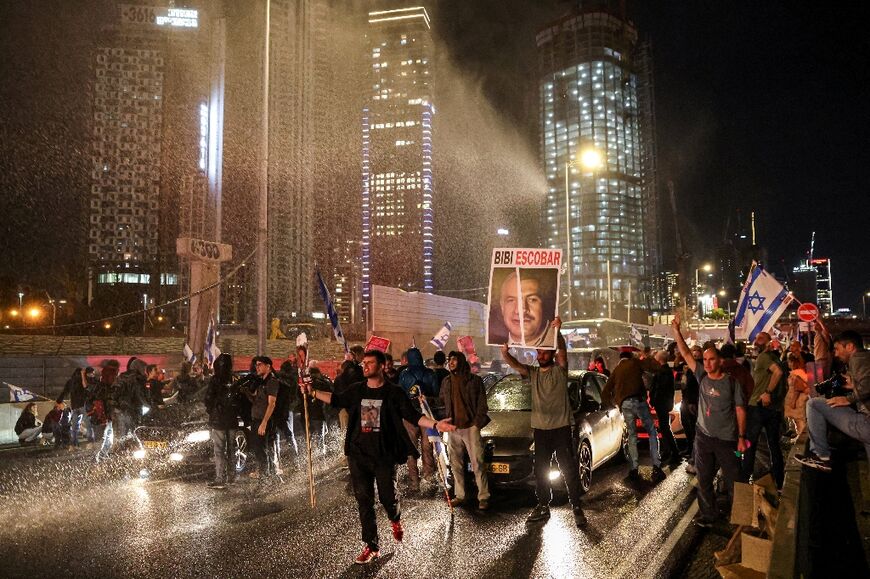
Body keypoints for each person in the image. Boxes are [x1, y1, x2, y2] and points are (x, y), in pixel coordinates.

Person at [301, 349, 456, 564]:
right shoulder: (356, 390)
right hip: (358, 454)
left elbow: (413, 416)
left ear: (382, 366)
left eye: (370, 363)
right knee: (364, 500)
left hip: (383, 455)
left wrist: (437, 424)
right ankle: (371, 546)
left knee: (387, 497)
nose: (365, 366)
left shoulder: (394, 393)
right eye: (363, 363)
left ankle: (395, 518)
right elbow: (336, 399)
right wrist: (312, 392)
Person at [501, 318, 588, 527]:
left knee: (568, 469)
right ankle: (542, 505)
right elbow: (517, 366)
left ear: (551, 353)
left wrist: (557, 332)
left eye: (544, 352)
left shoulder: (560, 371)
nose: (540, 356)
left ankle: (576, 506)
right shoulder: (533, 373)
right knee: (541, 471)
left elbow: (563, 354)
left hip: (561, 430)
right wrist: (505, 353)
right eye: (538, 353)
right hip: (541, 431)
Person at [672, 314, 747, 528]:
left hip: (727, 440)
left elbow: (741, 410)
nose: (707, 363)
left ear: (720, 361)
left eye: (711, 359)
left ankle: (740, 520)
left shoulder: (732, 382)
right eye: (704, 360)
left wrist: (741, 438)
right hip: (704, 438)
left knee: (735, 481)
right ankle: (709, 514)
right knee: (704, 480)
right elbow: (686, 353)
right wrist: (677, 331)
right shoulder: (702, 376)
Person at [796, 331, 870, 472]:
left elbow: (867, 385)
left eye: (837, 349)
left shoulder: (857, 359)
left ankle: (821, 456)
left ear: (849, 346)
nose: (835, 354)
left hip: (866, 423)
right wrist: (854, 385)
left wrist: (848, 399)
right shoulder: (866, 357)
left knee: (814, 404)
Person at [602, 350, 665, 483]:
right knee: (652, 432)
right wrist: (647, 356)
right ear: (630, 357)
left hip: (625, 404)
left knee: (632, 435)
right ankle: (656, 466)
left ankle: (634, 469)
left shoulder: (617, 369)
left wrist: (612, 404)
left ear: (620, 359)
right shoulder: (635, 363)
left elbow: (605, 391)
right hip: (638, 401)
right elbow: (656, 368)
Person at [440, 350, 491, 510]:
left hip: (470, 427)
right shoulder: (447, 381)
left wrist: (476, 423)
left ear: (461, 361)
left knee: (478, 464)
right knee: (456, 464)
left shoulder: (474, 381)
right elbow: (442, 401)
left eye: (454, 359)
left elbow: (482, 404)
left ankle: (483, 497)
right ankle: (460, 495)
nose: (451, 362)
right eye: (449, 360)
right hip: (453, 428)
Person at [741, 332, 785, 489]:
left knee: (750, 444)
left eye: (760, 339)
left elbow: (778, 373)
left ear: (768, 342)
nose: (756, 341)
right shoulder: (774, 357)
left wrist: (767, 392)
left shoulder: (764, 357)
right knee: (774, 445)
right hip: (773, 409)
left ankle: (744, 481)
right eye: (756, 338)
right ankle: (780, 481)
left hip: (758, 406)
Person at [398, 347, 438, 492]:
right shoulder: (430, 374)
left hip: (409, 415)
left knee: (411, 447)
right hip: (426, 413)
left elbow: (400, 394)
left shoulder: (403, 374)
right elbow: (436, 393)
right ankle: (428, 477)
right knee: (427, 447)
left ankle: (414, 480)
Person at [490, 269, 558, 348]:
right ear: (502, 307)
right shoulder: (494, 344)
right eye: (511, 300)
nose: (521, 310)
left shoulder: (558, 344)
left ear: (544, 304)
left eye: (532, 299)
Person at [205, 353, 240, 489]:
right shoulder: (234, 379)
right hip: (231, 419)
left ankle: (220, 478)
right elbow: (239, 399)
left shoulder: (215, 380)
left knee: (219, 450)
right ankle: (231, 476)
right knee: (231, 448)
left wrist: (212, 411)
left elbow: (208, 398)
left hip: (218, 420)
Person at [245, 356, 280, 478]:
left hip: (263, 421)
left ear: (268, 366)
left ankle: (265, 478)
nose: (257, 367)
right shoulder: (262, 381)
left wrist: (264, 423)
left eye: (260, 364)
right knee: (259, 449)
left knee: (261, 450)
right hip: (257, 420)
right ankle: (265, 474)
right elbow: (258, 401)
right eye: (256, 365)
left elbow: (272, 403)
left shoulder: (272, 382)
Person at [650, 351, 680, 466]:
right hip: (663, 403)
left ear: (659, 359)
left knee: (665, 428)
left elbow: (659, 389)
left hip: (661, 403)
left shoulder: (663, 372)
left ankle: (673, 452)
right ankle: (669, 451)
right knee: (664, 428)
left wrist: (653, 400)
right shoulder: (665, 371)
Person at [679, 346, 703, 472]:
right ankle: (690, 450)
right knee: (688, 427)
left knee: (695, 430)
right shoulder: (688, 368)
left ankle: (695, 457)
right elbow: (684, 385)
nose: (694, 355)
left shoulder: (698, 368)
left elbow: (694, 387)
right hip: (687, 401)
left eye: (696, 352)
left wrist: (692, 402)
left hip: (693, 402)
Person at [56, 368, 88, 447]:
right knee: (89, 425)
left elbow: (64, 392)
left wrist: (59, 400)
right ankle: (91, 443)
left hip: (74, 406)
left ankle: (74, 445)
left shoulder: (70, 382)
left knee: (75, 427)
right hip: (83, 405)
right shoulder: (83, 380)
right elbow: (87, 389)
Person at [93, 362, 118, 462]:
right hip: (103, 418)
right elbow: (102, 401)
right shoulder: (104, 387)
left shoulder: (104, 386)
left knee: (108, 439)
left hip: (106, 417)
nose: (116, 378)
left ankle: (101, 457)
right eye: (114, 375)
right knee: (103, 439)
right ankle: (97, 459)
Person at [783, 353, 810, 441]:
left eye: (790, 362)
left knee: (799, 419)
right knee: (797, 419)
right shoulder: (801, 372)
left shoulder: (796, 373)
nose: (788, 364)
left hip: (798, 399)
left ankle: (801, 437)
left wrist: (793, 401)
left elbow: (797, 388)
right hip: (799, 398)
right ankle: (799, 435)